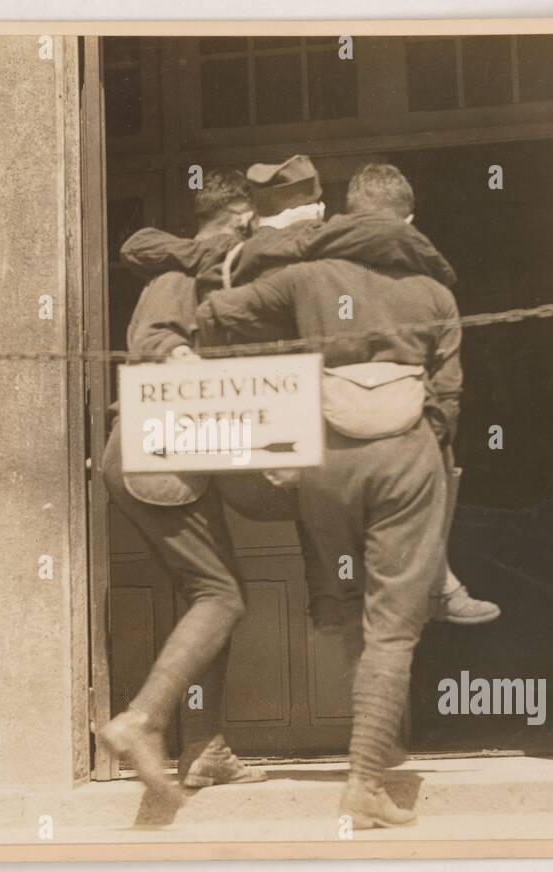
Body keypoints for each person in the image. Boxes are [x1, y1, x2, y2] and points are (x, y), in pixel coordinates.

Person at [197, 162, 464, 828]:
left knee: (346, 593)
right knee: (393, 625)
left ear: (346, 217)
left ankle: (329, 601)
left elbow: (215, 310)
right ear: (408, 221)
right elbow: (450, 399)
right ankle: (366, 780)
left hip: (321, 459)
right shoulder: (435, 292)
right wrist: (423, 442)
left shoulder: (303, 276)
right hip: (404, 457)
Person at [126, 156, 497, 626]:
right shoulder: (317, 248)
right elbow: (397, 241)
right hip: (287, 421)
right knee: (410, 452)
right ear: (317, 208)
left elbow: (141, 247)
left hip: (269, 418)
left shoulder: (245, 253)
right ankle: (404, 588)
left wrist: (229, 250)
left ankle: (340, 598)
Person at [97, 169, 286, 797]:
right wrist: (184, 359)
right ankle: (142, 720)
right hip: (156, 456)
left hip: (177, 456)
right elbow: (154, 341)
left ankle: (205, 748)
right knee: (222, 596)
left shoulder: (202, 278)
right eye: (255, 226)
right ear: (240, 221)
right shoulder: (178, 277)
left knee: (211, 596)